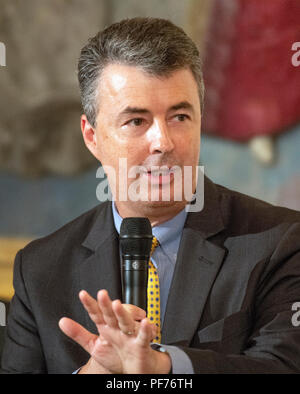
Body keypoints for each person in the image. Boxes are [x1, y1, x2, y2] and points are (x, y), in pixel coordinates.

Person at [2, 17, 300, 374]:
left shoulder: (280, 242)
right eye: (137, 121)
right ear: (92, 136)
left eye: (179, 116)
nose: (163, 142)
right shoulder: (39, 270)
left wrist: (164, 368)